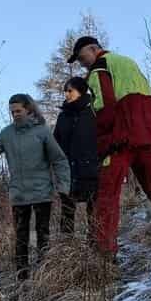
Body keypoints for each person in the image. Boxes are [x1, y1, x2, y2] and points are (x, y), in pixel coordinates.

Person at [66, 35, 151, 260]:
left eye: (82, 58)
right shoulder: (128, 62)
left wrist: (100, 142)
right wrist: (147, 128)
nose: (82, 63)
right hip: (143, 135)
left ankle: (103, 256)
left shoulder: (100, 68)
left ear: (94, 49)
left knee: (106, 196)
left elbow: (104, 108)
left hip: (118, 140)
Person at [0, 93, 72, 282]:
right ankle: (22, 277)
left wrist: (63, 186)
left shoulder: (41, 131)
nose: (15, 114)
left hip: (42, 191)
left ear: (28, 109)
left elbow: (58, 159)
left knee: (43, 234)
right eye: (12, 112)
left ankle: (44, 273)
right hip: (18, 194)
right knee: (21, 236)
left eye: (18, 110)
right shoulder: (7, 133)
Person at [53, 76, 100, 240]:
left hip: (91, 169)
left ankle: (96, 247)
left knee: (94, 211)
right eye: (65, 91)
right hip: (67, 172)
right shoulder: (62, 117)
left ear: (81, 91)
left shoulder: (94, 111)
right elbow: (55, 144)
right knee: (66, 212)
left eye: (70, 90)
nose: (66, 94)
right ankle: (66, 250)